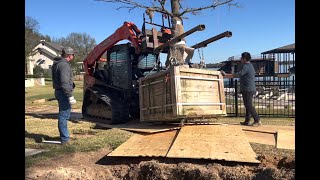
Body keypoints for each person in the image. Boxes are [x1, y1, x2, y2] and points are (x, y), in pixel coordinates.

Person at [220, 52, 261, 126]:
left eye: (241, 58)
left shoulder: (246, 66)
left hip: (248, 89)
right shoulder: (250, 65)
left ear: (245, 59)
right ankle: (247, 121)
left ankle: (257, 120)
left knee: (248, 105)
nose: (240, 59)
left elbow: (238, 74)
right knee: (247, 105)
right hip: (248, 88)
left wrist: (226, 75)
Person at [52, 46, 76, 144]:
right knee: (64, 115)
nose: (74, 56)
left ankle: (64, 136)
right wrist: (69, 95)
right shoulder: (64, 65)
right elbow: (64, 82)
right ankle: (65, 139)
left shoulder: (57, 64)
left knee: (63, 114)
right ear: (69, 55)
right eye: (73, 54)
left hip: (59, 91)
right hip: (63, 92)